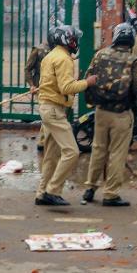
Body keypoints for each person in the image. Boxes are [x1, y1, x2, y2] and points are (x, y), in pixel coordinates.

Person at [81, 23, 137, 207]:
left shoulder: (100, 54)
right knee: (117, 153)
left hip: (101, 111)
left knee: (98, 149)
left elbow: (89, 78)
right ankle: (110, 194)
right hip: (121, 113)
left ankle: (90, 188)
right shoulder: (134, 60)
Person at [35, 25, 96, 206]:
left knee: (51, 155)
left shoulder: (50, 56)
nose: (75, 42)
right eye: (73, 38)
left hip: (48, 108)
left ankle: (41, 193)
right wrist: (88, 82)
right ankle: (52, 190)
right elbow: (66, 88)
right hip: (54, 111)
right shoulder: (63, 59)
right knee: (72, 152)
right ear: (65, 40)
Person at [25, 33, 53, 153]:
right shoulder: (38, 50)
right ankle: (42, 142)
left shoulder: (58, 51)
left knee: (49, 114)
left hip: (53, 87)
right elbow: (27, 68)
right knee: (47, 114)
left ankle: (43, 141)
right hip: (40, 88)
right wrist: (31, 85)